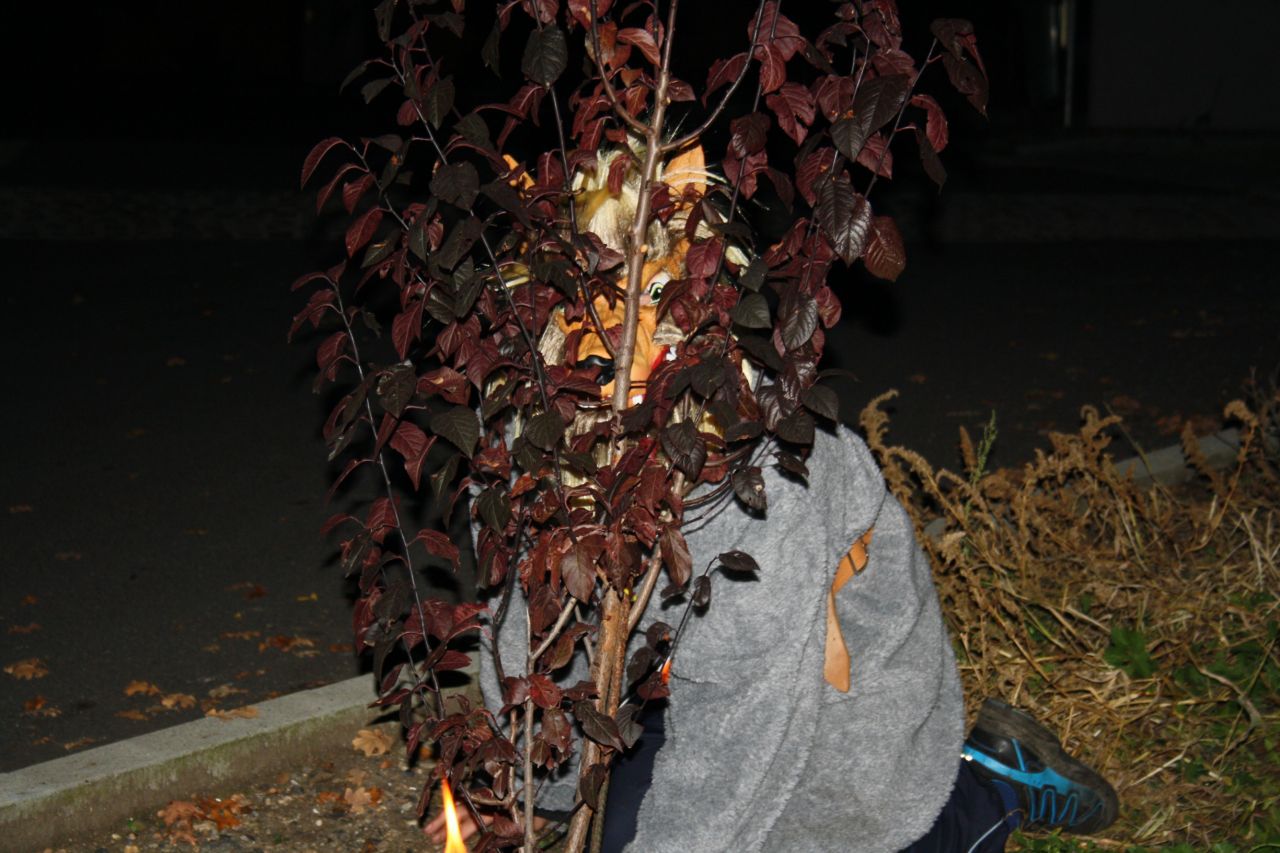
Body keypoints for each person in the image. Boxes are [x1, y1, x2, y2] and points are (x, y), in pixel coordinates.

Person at [427, 145, 1118, 851]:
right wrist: (531, 783)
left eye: (650, 300)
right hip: (676, 686)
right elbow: (530, 627)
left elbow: (739, 735)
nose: (614, 344)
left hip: (833, 706)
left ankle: (990, 784)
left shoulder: (761, 478)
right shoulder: (526, 433)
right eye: (583, 308)